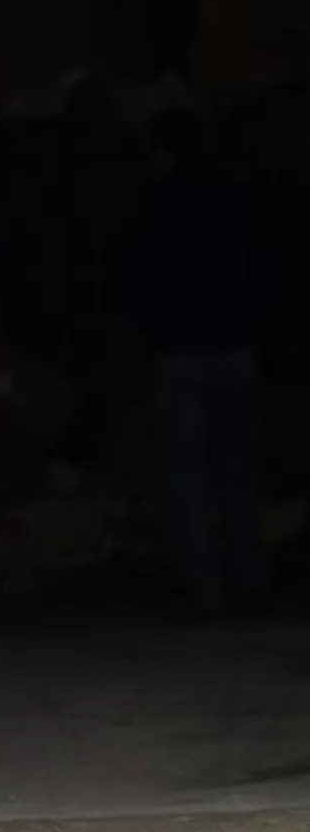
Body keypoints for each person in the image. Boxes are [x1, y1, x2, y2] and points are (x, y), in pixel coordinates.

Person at [113, 108, 271, 617]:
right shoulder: (233, 197)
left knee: (189, 482)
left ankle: (205, 591)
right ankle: (248, 581)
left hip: (182, 354)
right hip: (233, 348)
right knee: (237, 476)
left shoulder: (155, 205)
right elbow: (262, 266)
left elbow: (136, 279)